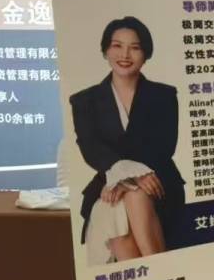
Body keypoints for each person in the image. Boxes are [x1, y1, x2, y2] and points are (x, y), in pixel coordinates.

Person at [70, 17, 184, 264]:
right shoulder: (84, 100)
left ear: (146, 54)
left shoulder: (164, 95)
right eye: (117, 46)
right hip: (109, 183)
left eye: (135, 47)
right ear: (105, 51)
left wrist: (132, 179)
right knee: (116, 206)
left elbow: (165, 146)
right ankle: (158, 274)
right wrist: (122, 176)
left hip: (158, 182)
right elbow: (90, 147)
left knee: (134, 195)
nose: (125, 54)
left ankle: (154, 273)